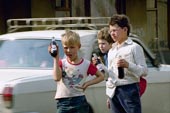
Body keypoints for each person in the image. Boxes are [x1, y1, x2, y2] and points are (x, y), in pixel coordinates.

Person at [48, 30, 104, 113]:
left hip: (79, 101)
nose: (68, 50)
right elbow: (56, 78)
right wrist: (55, 58)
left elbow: (101, 76)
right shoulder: (61, 63)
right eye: (66, 47)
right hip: (63, 102)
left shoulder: (86, 64)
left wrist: (87, 84)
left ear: (79, 46)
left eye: (72, 47)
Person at [106, 14, 148, 113]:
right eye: (110, 31)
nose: (112, 34)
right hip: (113, 90)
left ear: (125, 30)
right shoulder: (111, 50)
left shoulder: (134, 47)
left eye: (115, 30)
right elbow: (110, 74)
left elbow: (144, 71)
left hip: (129, 89)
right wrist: (109, 95)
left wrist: (128, 65)